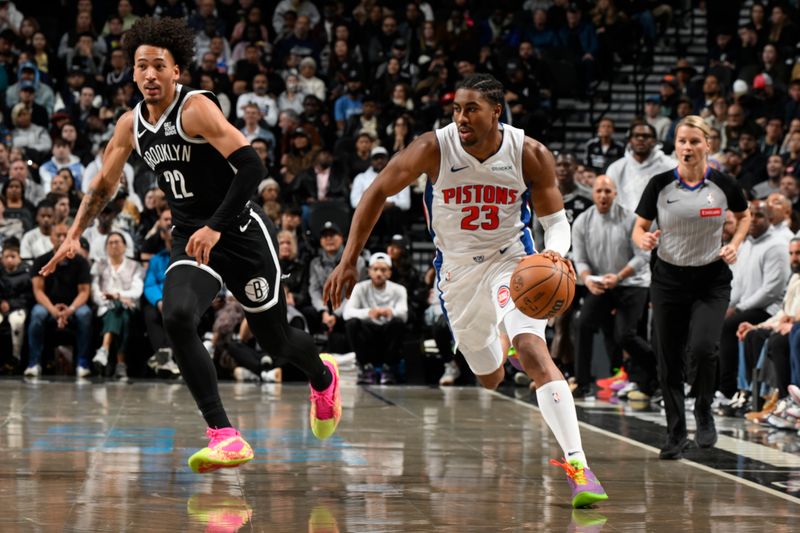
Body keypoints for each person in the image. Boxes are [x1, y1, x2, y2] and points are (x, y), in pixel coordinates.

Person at [39, 17, 341, 475]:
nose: (149, 75)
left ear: (177, 71)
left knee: (276, 343)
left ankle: (322, 376)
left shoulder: (195, 109)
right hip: (189, 237)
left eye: (159, 65)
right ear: (132, 72)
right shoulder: (130, 126)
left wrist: (217, 226)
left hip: (239, 232)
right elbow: (102, 186)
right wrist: (73, 233)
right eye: (141, 66)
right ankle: (225, 435)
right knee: (176, 314)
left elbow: (252, 168)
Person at [324, 73, 607, 508]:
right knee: (489, 377)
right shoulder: (433, 147)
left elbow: (555, 221)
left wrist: (555, 255)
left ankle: (579, 467)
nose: (460, 117)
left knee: (534, 350)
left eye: (471, 109)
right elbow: (377, 193)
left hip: (513, 263)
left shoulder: (529, 152)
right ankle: (502, 335)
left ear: (497, 111)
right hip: (457, 275)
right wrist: (348, 260)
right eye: (456, 109)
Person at [632, 115, 751, 460]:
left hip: (711, 279)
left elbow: (744, 216)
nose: (687, 147)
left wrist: (736, 243)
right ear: (675, 147)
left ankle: (703, 408)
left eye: (694, 141)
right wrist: (645, 239)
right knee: (668, 360)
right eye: (682, 141)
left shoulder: (724, 184)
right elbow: (638, 228)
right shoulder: (659, 184)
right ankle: (675, 434)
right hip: (668, 279)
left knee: (702, 348)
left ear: (707, 145)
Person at [571, 176, 655, 399]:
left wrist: (618, 277)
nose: (603, 195)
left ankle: (657, 371)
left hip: (632, 283)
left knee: (625, 335)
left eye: (607, 191)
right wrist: (588, 280)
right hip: (601, 283)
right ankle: (582, 383)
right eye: (599, 191)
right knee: (582, 323)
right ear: (592, 194)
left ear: (615, 194)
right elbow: (580, 259)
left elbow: (642, 256)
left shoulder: (630, 219)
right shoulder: (582, 221)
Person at [27, 223, 93, 378]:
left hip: (74, 306)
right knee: (37, 314)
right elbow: (38, 291)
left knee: (85, 314)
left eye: (66, 235)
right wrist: (53, 310)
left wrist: (70, 310)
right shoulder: (40, 260)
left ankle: (82, 363)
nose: (63, 238)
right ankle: (33, 363)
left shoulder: (81, 262)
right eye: (59, 235)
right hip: (48, 306)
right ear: (51, 238)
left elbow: (84, 292)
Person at [343, 252, 408, 385]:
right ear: (369, 271)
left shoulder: (399, 289)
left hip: (387, 330)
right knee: (351, 324)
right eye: (375, 269)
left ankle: (388, 368)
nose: (379, 273)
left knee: (398, 323)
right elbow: (347, 313)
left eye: (383, 270)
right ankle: (365, 367)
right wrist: (369, 313)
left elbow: (404, 313)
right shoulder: (360, 288)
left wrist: (390, 311)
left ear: (389, 272)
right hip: (368, 331)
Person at [90, 231, 144, 380]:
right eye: (110, 243)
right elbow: (95, 291)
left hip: (129, 305)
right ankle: (121, 364)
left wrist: (117, 296)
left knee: (121, 309)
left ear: (125, 246)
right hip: (105, 307)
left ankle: (104, 348)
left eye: (117, 242)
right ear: (106, 247)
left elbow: (137, 290)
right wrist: (109, 300)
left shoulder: (135, 266)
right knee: (121, 314)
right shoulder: (98, 265)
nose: (114, 245)